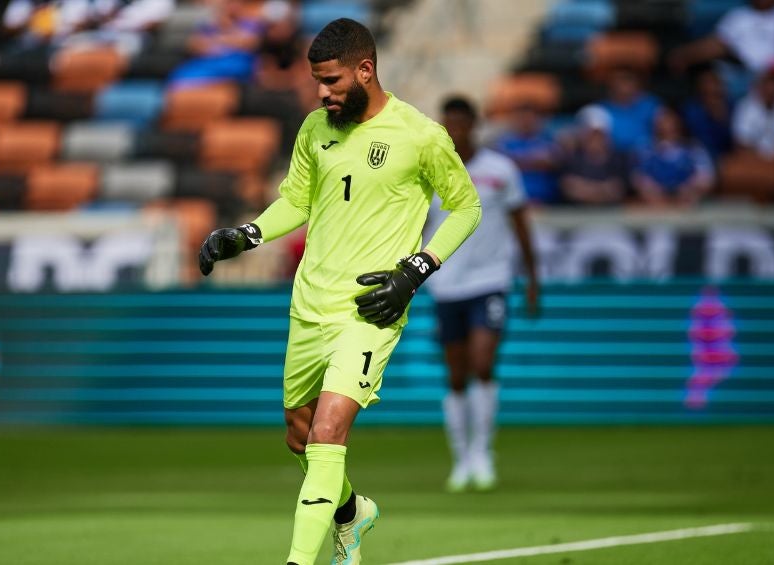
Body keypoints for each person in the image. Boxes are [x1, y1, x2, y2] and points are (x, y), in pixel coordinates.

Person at [196, 18, 481, 565]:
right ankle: (351, 515)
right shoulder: (314, 129)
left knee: (329, 431)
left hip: (370, 308)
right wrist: (246, 235)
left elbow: (466, 207)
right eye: (316, 82)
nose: (321, 93)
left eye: (331, 81)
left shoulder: (420, 134)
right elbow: (297, 202)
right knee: (301, 438)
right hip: (309, 306)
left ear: (365, 70)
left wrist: (417, 268)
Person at [426, 96, 539, 493]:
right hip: (446, 283)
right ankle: (461, 459)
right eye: (449, 123)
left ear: (473, 124)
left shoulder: (499, 170)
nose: (455, 130)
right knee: (456, 375)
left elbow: (520, 221)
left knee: (483, 362)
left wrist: (532, 279)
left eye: (461, 122)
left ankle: (482, 452)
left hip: (490, 280)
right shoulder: (430, 172)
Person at [631, 107, 715, 207]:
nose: (667, 125)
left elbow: (706, 176)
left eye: (670, 121)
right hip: (655, 200)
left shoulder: (693, 148)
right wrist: (651, 187)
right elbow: (637, 176)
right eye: (662, 121)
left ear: (679, 123)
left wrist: (690, 186)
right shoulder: (644, 148)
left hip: (687, 197)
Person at [559, 105, 630, 205]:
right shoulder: (571, 159)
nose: (595, 140)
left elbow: (617, 190)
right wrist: (602, 190)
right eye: (591, 135)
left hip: (612, 215)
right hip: (576, 215)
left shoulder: (618, 159)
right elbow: (569, 188)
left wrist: (585, 188)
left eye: (599, 135)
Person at [492, 102, 561, 205]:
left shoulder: (548, 138)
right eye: (521, 118)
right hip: (513, 201)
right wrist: (534, 160)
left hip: (546, 202)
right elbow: (501, 164)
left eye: (529, 118)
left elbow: (551, 161)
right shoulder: (504, 141)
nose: (525, 122)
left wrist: (518, 161)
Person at [732, 69, 774, 160]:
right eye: (766, 87)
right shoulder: (746, 106)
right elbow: (741, 141)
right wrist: (760, 160)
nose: (770, 91)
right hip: (753, 159)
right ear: (759, 88)